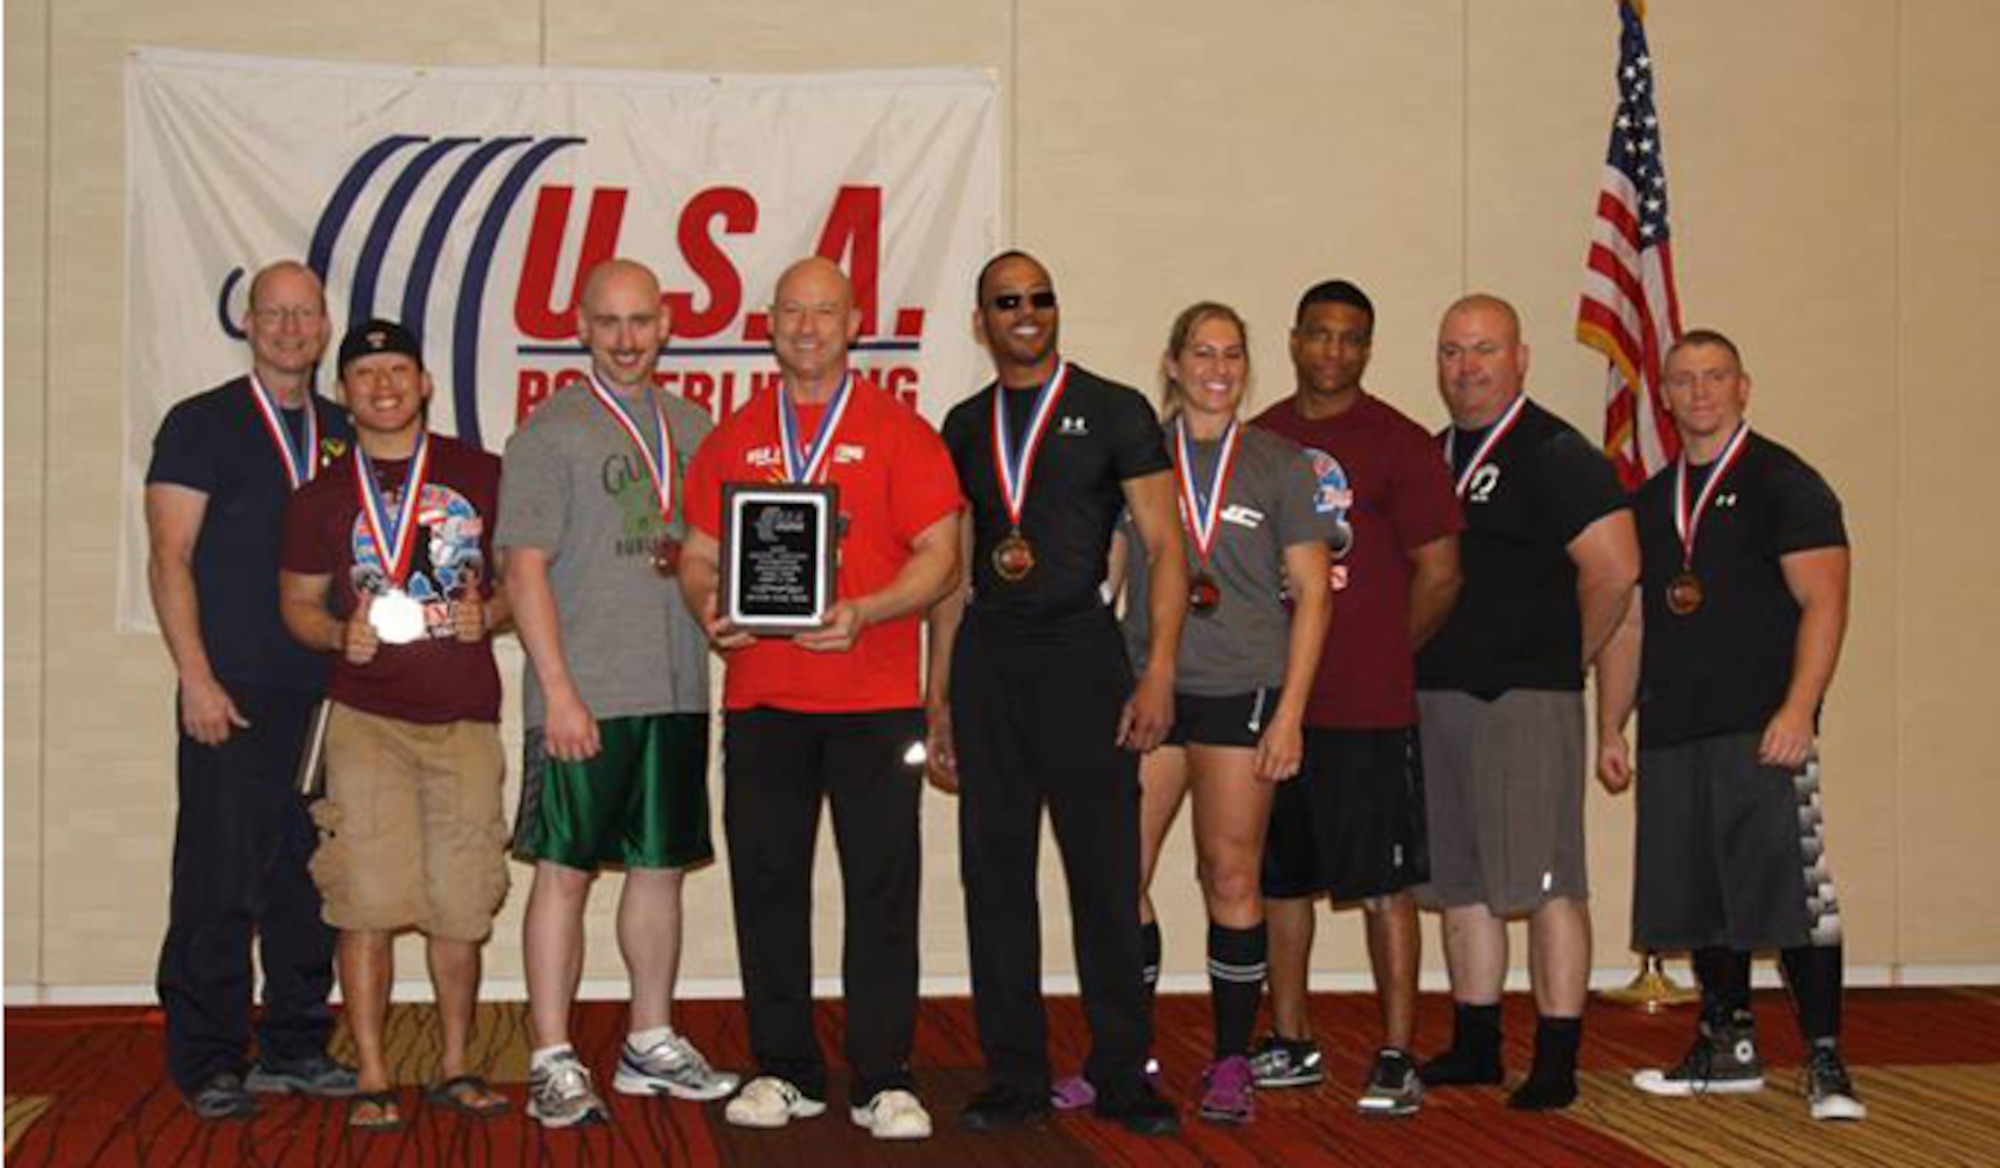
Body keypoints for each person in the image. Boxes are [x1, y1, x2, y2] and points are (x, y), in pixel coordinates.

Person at [677, 257, 962, 1140]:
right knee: (767, 887)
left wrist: (868, 611)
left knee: (883, 887)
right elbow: (696, 551)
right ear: (768, 326)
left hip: (874, 700)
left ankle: (884, 1078)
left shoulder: (898, 430)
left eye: (825, 312)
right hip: (764, 699)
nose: (807, 327)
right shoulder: (734, 435)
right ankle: (785, 1070)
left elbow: (940, 553)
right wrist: (710, 611)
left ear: (852, 324)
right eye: (792, 312)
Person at [927, 250, 1188, 1137]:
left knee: (1106, 878)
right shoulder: (960, 426)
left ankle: (1122, 1075)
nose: (1026, 312)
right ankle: (1014, 1077)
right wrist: (941, 700)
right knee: (994, 877)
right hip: (990, 658)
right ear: (981, 321)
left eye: (1040, 297)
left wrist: (1156, 671)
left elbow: (1166, 547)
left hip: (1084, 654)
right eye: (1007, 301)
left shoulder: (1115, 410)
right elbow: (953, 573)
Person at [1072, 302, 1331, 1124]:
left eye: (1232, 354)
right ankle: (1122, 1055)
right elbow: (1104, 575)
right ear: (1174, 363)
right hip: (1151, 688)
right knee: (1120, 879)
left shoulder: (1282, 465)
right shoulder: (1137, 458)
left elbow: (1316, 598)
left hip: (1241, 690)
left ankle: (1228, 1061)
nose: (1218, 367)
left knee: (1230, 875)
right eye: (1202, 352)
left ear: (1245, 367)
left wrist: (1290, 713)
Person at [1596, 330, 1864, 1122]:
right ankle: (1727, 1041)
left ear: (1743, 386)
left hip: (1763, 728)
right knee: (1699, 891)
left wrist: (1797, 708)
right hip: (1675, 726)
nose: (1700, 391)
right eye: (1683, 380)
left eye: (1715, 377)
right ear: (1666, 398)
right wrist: (1613, 721)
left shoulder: (1787, 482)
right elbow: (1636, 623)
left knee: (1796, 894)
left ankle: (1826, 1060)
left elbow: (1827, 602)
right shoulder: (1649, 500)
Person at [497, 258, 736, 1128]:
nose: (627, 340)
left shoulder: (697, 426)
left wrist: (727, 619)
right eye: (608, 323)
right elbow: (522, 570)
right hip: (585, 694)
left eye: (641, 322)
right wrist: (557, 690)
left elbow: (711, 555)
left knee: (658, 870)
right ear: (580, 328)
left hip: (674, 688)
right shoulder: (548, 433)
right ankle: (553, 1055)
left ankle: (650, 1039)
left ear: (667, 325)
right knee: (562, 874)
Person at [278, 319, 513, 1130]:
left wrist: (496, 612)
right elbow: (298, 605)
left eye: (397, 369)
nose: (382, 385)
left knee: (460, 903)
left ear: (425, 384)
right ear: (343, 392)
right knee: (365, 904)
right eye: (365, 372)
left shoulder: (481, 473)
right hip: (366, 721)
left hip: (466, 720)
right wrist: (335, 633)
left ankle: (454, 1064)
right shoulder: (319, 496)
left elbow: (521, 584)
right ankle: (375, 1072)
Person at [145, 259, 358, 1120]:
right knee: (219, 876)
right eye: (273, 313)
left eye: (303, 314)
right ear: (249, 323)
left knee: (311, 878)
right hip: (228, 692)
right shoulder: (201, 424)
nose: (289, 327)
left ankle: (297, 1044)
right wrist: (194, 675)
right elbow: (169, 558)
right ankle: (207, 1056)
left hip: (332, 696)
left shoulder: (349, 428)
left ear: (324, 324)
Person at [1414, 294, 1637, 1110]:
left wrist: (1557, 660)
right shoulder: (1433, 454)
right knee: (1461, 882)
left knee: (1546, 882)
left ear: (1521, 357)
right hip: (1437, 697)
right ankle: (1476, 1042)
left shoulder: (1555, 450)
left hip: (1526, 702)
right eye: (1450, 351)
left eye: (1483, 350)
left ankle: (1556, 1056)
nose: (1466, 367)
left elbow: (1615, 568)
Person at [1248, 279, 1463, 1116]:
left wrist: (1382, 652)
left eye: (1351, 339)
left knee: (1384, 886)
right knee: (1282, 882)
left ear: (1366, 349)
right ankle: (1293, 1039)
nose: (1333, 351)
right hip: (1276, 703)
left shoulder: (1401, 444)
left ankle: (1397, 1052)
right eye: (1320, 335)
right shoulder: (1260, 439)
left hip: (1369, 708)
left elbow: (1442, 573)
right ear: (1296, 339)